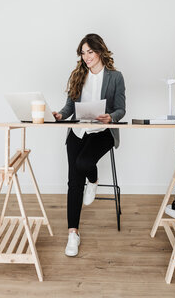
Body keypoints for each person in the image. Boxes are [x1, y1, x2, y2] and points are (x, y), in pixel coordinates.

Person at [52, 33, 126, 257]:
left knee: (84, 163)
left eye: (90, 52)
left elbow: (122, 109)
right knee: (74, 182)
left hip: (102, 131)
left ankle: (93, 180)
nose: (86, 57)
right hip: (77, 130)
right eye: (83, 53)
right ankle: (73, 233)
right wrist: (59, 115)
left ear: (100, 51)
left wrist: (110, 117)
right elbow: (69, 107)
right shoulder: (78, 74)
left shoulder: (115, 77)